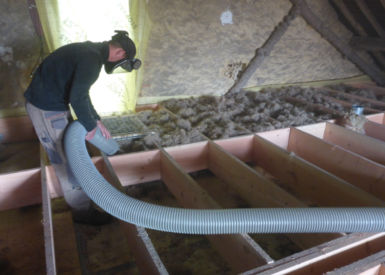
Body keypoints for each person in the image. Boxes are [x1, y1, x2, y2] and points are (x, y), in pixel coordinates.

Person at [24, 31, 141, 226]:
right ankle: (83, 214)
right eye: (122, 61)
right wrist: (89, 127)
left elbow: (81, 93)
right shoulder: (91, 59)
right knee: (69, 163)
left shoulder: (89, 50)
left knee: (73, 154)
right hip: (47, 109)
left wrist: (96, 120)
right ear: (120, 53)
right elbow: (77, 97)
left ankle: (83, 207)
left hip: (50, 105)